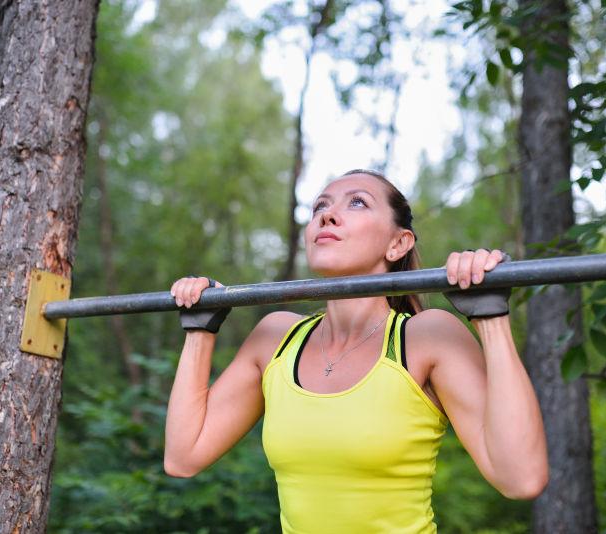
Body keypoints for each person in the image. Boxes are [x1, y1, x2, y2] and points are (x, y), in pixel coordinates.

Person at [164, 169, 548, 533]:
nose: (327, 216)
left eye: (357, 202)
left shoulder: (427, 337)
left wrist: (491, 317)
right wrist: (200, 328)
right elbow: (184, 457)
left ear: (398, 243)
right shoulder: (275, 339)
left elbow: (521, 478)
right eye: (320, 206)